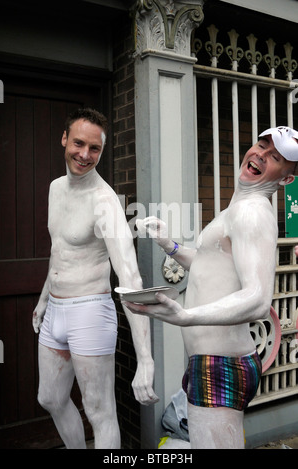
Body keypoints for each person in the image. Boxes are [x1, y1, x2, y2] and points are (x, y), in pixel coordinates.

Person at [125, 126, 298, 449]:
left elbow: (258, 300)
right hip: (211, 360)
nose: (261, 154)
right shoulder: (236, 208)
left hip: (220, 364)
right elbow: (210, 265)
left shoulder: (251, 213)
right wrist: (170, 246)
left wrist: (186, 316)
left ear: (285, 179)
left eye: (275, 157)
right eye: (262, 145)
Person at [32, 108, 158, 449]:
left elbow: (130, 275)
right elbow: (61, 250)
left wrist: (145, 358)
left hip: (89, 311)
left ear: (102, 151)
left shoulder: (105, 203)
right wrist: (44, 299)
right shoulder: (56, 189)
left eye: (94, 149)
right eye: (78, 143)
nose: (84, 155)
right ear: (64, 139)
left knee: (99, 412)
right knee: (50, 398)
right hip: (55, 310)